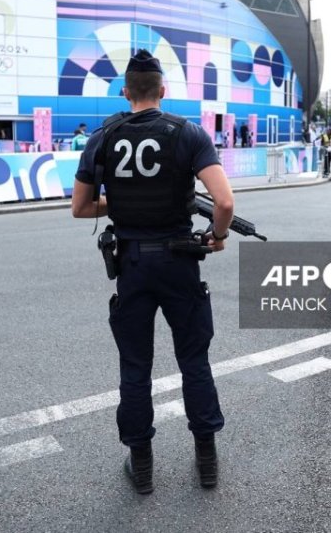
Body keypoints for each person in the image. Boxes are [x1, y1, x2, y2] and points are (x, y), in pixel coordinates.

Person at [71, 49, 233, 495]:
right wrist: (216, 236)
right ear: (163, 91)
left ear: (125, 92)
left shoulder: (103, 135)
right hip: (180, 260)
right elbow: (224, 203)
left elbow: (81, 208)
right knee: (194, 361)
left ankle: (141, 465)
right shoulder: (188, 133)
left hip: (133, 263)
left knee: (135, 366)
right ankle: (206, 460)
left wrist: (120, 204)